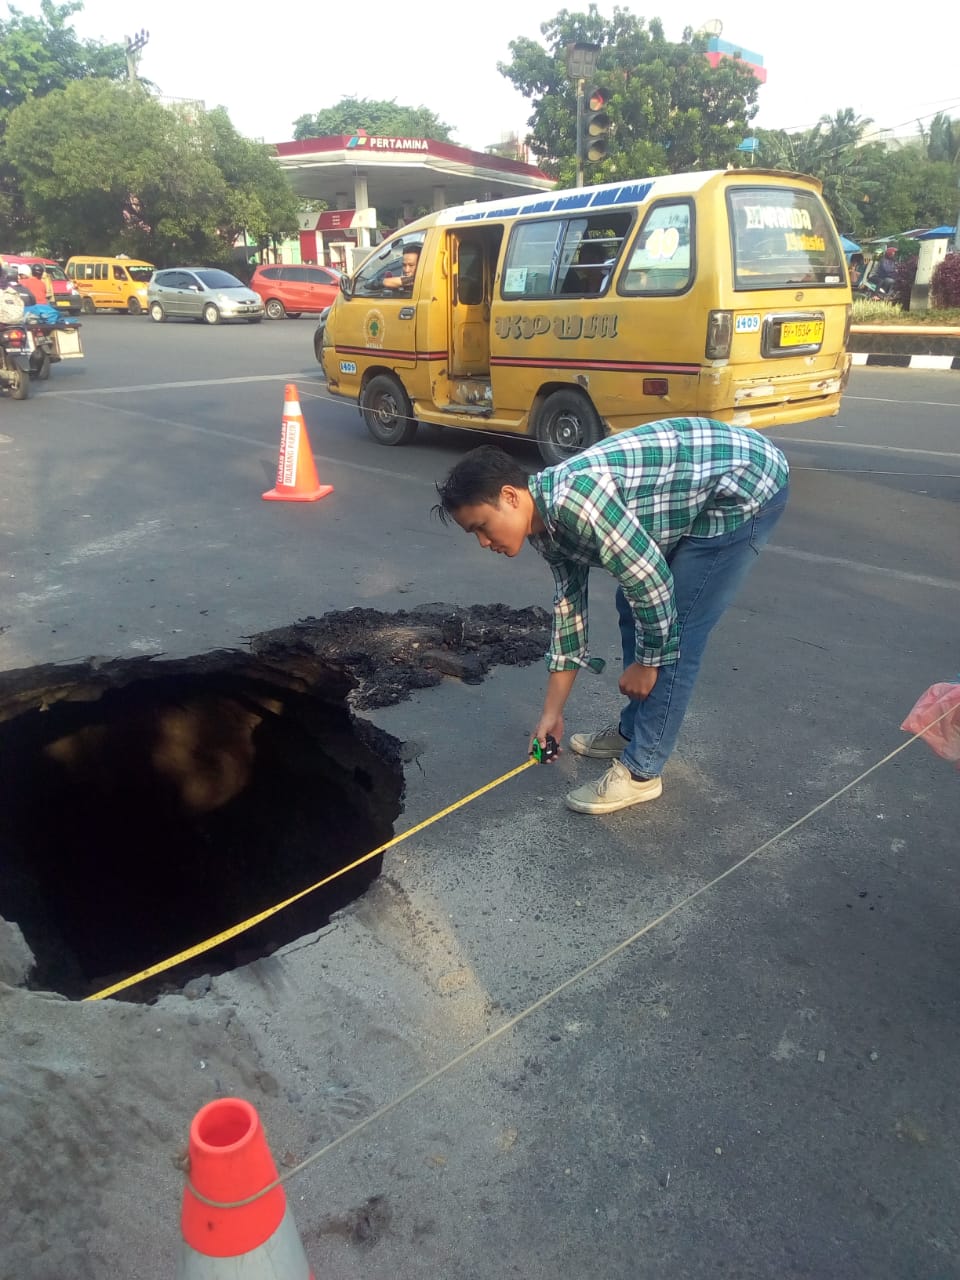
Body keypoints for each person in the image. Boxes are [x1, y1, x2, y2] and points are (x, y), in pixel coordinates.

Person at [433, 418, 789, 815]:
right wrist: (551, 715)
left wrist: (647, 664)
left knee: (678, 632)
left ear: (510, 497)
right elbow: (570, 614)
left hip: (744, 486)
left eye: (483, 527)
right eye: (474, 534)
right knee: (631, 603)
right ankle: (633, 731)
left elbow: (652, 582)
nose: (484, 542)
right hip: (696, 486)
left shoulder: (579, 504)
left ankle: (642, 770)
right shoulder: (543, 527)